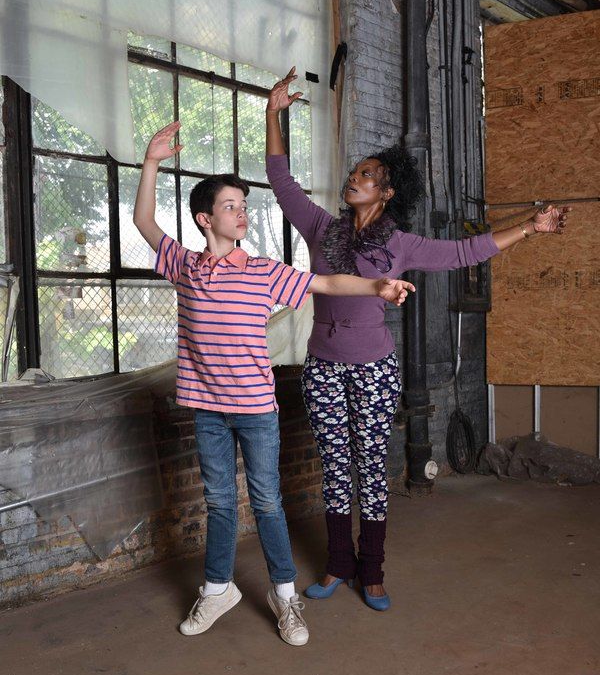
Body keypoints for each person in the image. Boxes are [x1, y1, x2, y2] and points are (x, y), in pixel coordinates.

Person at [265, 67, 572, 611]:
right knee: (335, 467)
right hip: (323, 365)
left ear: (385, 192)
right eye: (354, 172)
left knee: (370, 466)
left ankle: (372, 572)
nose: (353, 178)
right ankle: (338, 565)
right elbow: (281, 182)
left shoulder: (401, 244)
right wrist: (273, 113)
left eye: (366, 174)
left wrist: (530, 226)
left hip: (373, 368)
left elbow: (464, 252)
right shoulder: (322, 228)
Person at [133, 121, 416, 646]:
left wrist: (377, 285)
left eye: (243, 204)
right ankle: (217, 589)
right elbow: (144, 221)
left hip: (257, 410)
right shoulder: (185, 266)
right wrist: (151, 162)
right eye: (231, 206)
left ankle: (285, 598)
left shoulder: (263, 271)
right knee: (219, 502)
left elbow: (326, 281)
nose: (242, 212)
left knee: (266, 502)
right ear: (205, 219)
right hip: (206, 409)